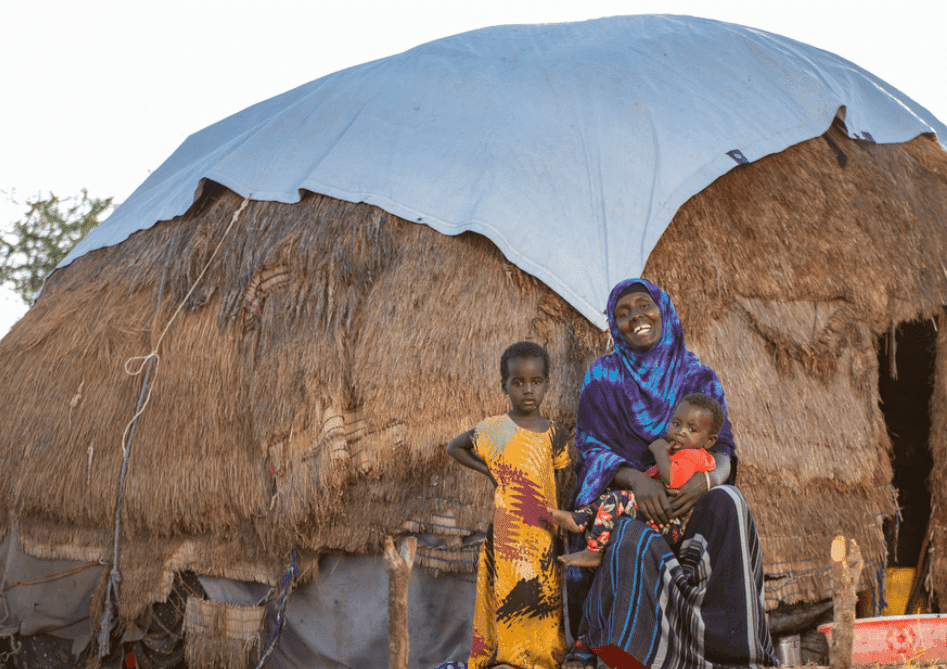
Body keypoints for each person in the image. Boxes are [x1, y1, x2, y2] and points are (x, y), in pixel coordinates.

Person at [563, 278, 776, 669]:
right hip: (633, 504)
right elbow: (591, 452)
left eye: (644, 306)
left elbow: (724, 451)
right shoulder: (602, 378)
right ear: (614, 326)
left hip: (689, 507)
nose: (636, 318)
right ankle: (626, 650)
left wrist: (705, 481)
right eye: (623, 314)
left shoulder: (698, 376)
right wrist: (637, 480)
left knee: (729, 499)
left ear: (664, 310)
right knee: (629, 538)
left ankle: (734, 647)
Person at [447, 341, 569, 669]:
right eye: (518, 382)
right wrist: (488, 470)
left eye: (536, 381)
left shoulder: (555, 434)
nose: (527, 390)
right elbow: (455, 446)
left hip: (543, 534)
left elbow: (556, 479)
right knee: (510, 597)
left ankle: (543, 660)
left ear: (546, 383)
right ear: (505, 386)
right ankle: (509, 659)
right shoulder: (498, 431)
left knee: (543, 599)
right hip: (509, 535)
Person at [548, 392, 721, 566]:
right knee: (611, 493)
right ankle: (581, 519)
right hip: (659, 511)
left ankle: (594, 551)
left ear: (709, 441)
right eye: (676, 424)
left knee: (618, 500)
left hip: (671, 523)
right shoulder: (677, 454)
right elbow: (652, 479)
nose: (680, 432)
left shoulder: (695, 456)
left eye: (692, 429)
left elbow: (673, 480)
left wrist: (660, 451)